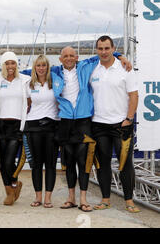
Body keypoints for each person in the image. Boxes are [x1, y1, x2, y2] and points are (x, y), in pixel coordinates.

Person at [45, 46, 131, 212]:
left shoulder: (86, 65)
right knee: (68, 163)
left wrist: (121, 56)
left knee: (84, 162)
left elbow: (104, 54)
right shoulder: (54, 71)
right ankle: (71, 198)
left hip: (84, 121)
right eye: (65, 56)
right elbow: (33, 71)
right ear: (60, 59)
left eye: (72, 55)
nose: (69, 58)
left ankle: (83, 199)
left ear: (76, 57)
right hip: (65, 122)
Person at [90, 36, 140, 213]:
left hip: (121, 124)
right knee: (102, 164)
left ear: (113, 49)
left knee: (125, 164)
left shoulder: (125, 68)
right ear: (96, 50)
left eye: (106, 48)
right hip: (98, 124)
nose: (103, 52)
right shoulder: (92, 69)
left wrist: (129, 118)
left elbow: (134, 95)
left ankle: (129, 200)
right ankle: (105, 200)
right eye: (100, 49)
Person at [0, 51, 30, 206]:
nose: (10, 66)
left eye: (12, 63)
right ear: (3, 65)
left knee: (9, 161)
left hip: (16, 125)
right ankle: (9, 191)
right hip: (0, 124)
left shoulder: (25, 80)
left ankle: (14, 183)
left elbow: (31, 100)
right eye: (7, 63)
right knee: (2, 162)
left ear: (17, 64)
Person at [24, 55, 60, 208]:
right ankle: (38, 197)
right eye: (38, 65)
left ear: (47, 67)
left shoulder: (55, 83)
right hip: (34, 126)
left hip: (52, 126)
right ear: (34, 67)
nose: (41, 68)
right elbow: (27, 104)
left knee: (50, 164)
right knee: (36, 165)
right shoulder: (29, 84)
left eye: (43, 65)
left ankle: (48, 198)